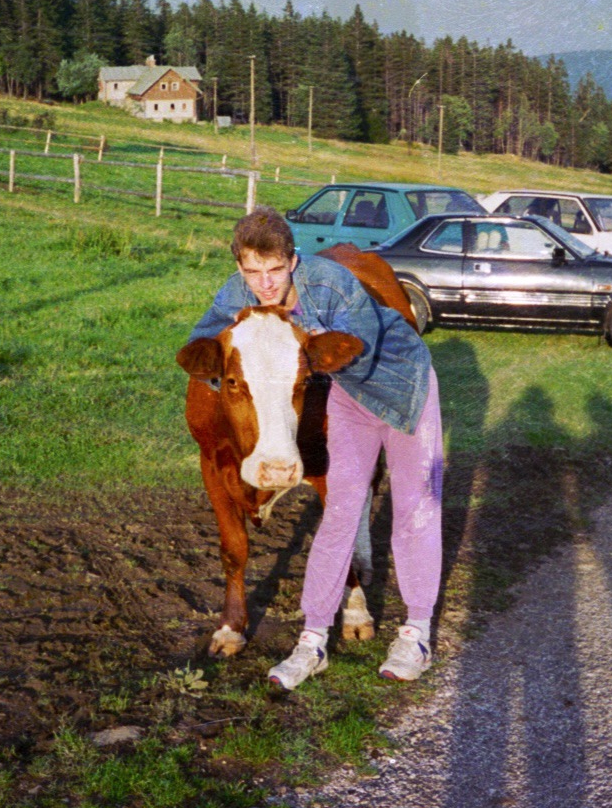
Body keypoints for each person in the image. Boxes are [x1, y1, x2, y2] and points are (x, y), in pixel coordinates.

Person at [188, 207, 444, 689]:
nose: (264, 285)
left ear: (292, 260)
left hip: (398, 385)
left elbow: (355, 346)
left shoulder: (331, 282)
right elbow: (200, 343)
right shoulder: (242, 289)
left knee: (415, 508)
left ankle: (417, 633)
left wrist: (284, 342)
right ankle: (312, 641)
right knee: (342, 509)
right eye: (252, 272)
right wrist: (235, 362)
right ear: (242, 268)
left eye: (275, 270)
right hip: (346, 393)